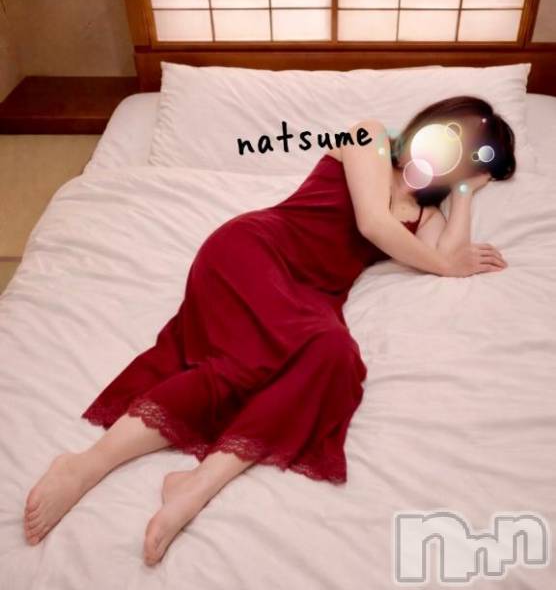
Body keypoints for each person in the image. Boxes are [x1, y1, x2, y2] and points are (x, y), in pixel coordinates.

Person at [23, 95, 511, 566]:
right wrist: (448, 264)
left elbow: (451, 254)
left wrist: (464, 193)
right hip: (256, 250)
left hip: (313, 296)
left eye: (470, 154)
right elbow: (373, 225)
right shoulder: (371, 137)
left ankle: (199, 482)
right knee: (247, 365)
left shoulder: (427, 214)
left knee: (335, 356)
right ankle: (86, 464)